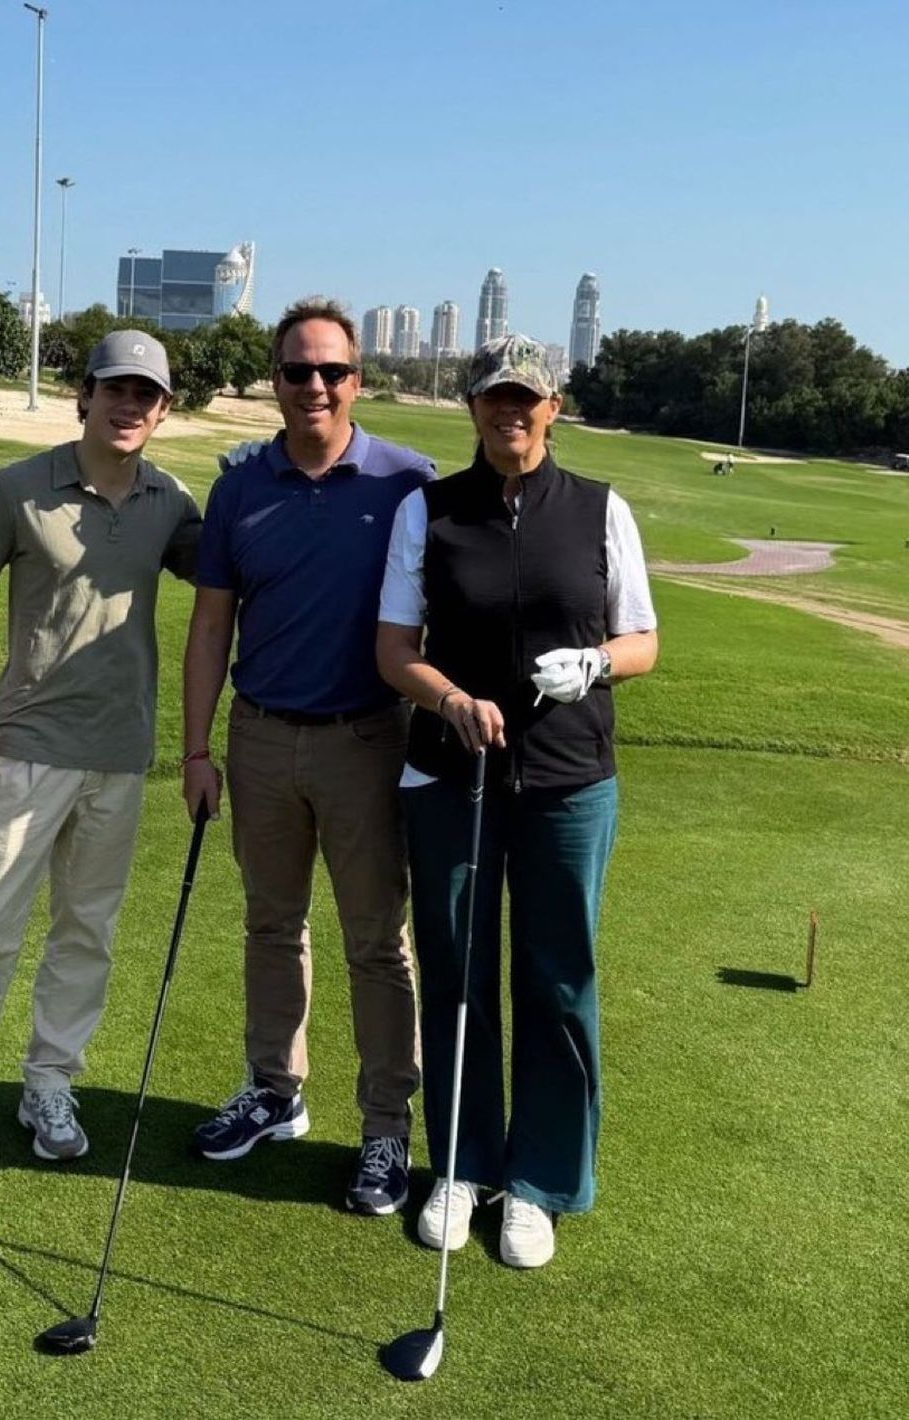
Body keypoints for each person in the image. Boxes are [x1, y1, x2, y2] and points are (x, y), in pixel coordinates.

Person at [0, 331, 202, 1166]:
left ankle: (50, 1082)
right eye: (115, 389)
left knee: (86, 931)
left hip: (121, 752)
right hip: (26, 742)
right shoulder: (22, 487)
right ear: (83, 396)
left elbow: (231, 579)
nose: (130, 406)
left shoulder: (172, 501)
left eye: (147, 395)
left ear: (164, 410)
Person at [376, 333, 658, 1267]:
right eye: (496, 396)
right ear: (471, 407)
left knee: (558, 977)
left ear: (555, 407)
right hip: (453, 774)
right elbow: (394, 648)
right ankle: (463, 1165)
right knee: (457, 975)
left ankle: (539, 1181)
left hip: (571, 780)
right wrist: (449, 698)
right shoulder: (431, 511)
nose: (513, 411)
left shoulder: (600, 511)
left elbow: (642, 642)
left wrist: (596, 663)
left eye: (528, 398)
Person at [182, 297, 434, 1216]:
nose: (316, 386)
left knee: (377, 942)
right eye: (298, 371)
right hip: (258, 737)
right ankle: (274, 1093)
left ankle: (383, 1132)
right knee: (270, 923)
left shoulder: (409, 483)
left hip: (367, 741)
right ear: (275, 382)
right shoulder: (241, 486)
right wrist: (198, 748)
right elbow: (212, 625)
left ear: (359, 382)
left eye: (332, 371)